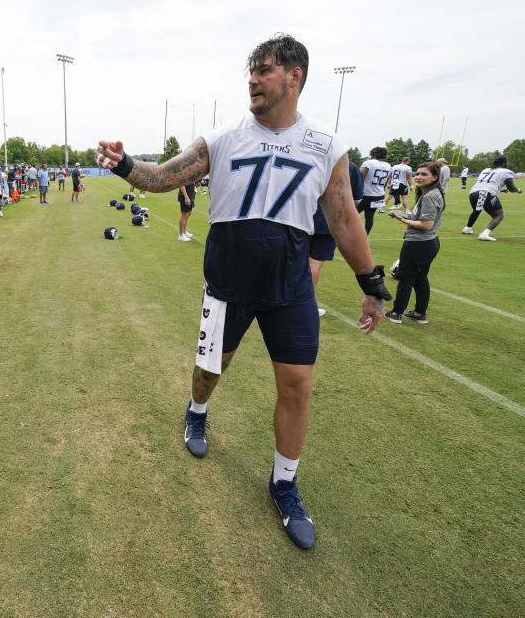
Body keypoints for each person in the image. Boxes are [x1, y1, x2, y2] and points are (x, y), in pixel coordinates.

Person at [95, 34, 388, 550]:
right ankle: (197, 410)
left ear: (294, 77)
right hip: (229, 286)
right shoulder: (225, 137)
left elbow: (343, 217)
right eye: (251, 70)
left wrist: (370, 285)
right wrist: (123, 164)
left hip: (290, 289)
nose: (253, 78)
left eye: (265, 70)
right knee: (211, 370)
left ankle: (284, 482)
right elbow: (163, 176)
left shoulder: (326, 145)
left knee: (298, 385)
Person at [385, 162, 446, 324]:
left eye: (424, 174)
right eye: (417, 173)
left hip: (419, 243)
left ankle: (396, 312)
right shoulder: (429, 193)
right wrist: (402, 214)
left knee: (406, 278)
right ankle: (420, 314)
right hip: (428, 243)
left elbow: (426, 225)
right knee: (420, 279)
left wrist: (402, 218)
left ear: (434, 177)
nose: (418, 177)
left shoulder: (431, 195)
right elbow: (419, 218)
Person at [312, 160, 364, 316]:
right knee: (314, 262)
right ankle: (305, 304)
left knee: (291, 259)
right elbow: (357, 198)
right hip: (329, 221)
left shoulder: (308, 156)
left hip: (298, 216)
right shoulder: (348, 165)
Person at [461, 156, 521, 241]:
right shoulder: (506, 171)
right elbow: (511, 188)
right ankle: (485, 234)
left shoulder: (486, 170)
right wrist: (518, 190)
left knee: (477, 210)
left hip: (473, 193)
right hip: (485, 193)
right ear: (504, 163)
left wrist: (501, 189)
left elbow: (486, 184)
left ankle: (467, 229)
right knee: (498, 215)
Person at [359, 146, 392, 233]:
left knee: (351, 215)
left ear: (372, 153)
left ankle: (350, 237)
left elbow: (360, 178)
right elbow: (385, 182)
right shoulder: (388, 166)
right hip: (379, 195)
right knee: (369, 217)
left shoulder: (369, 163)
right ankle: (365, 238)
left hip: (365, 195)